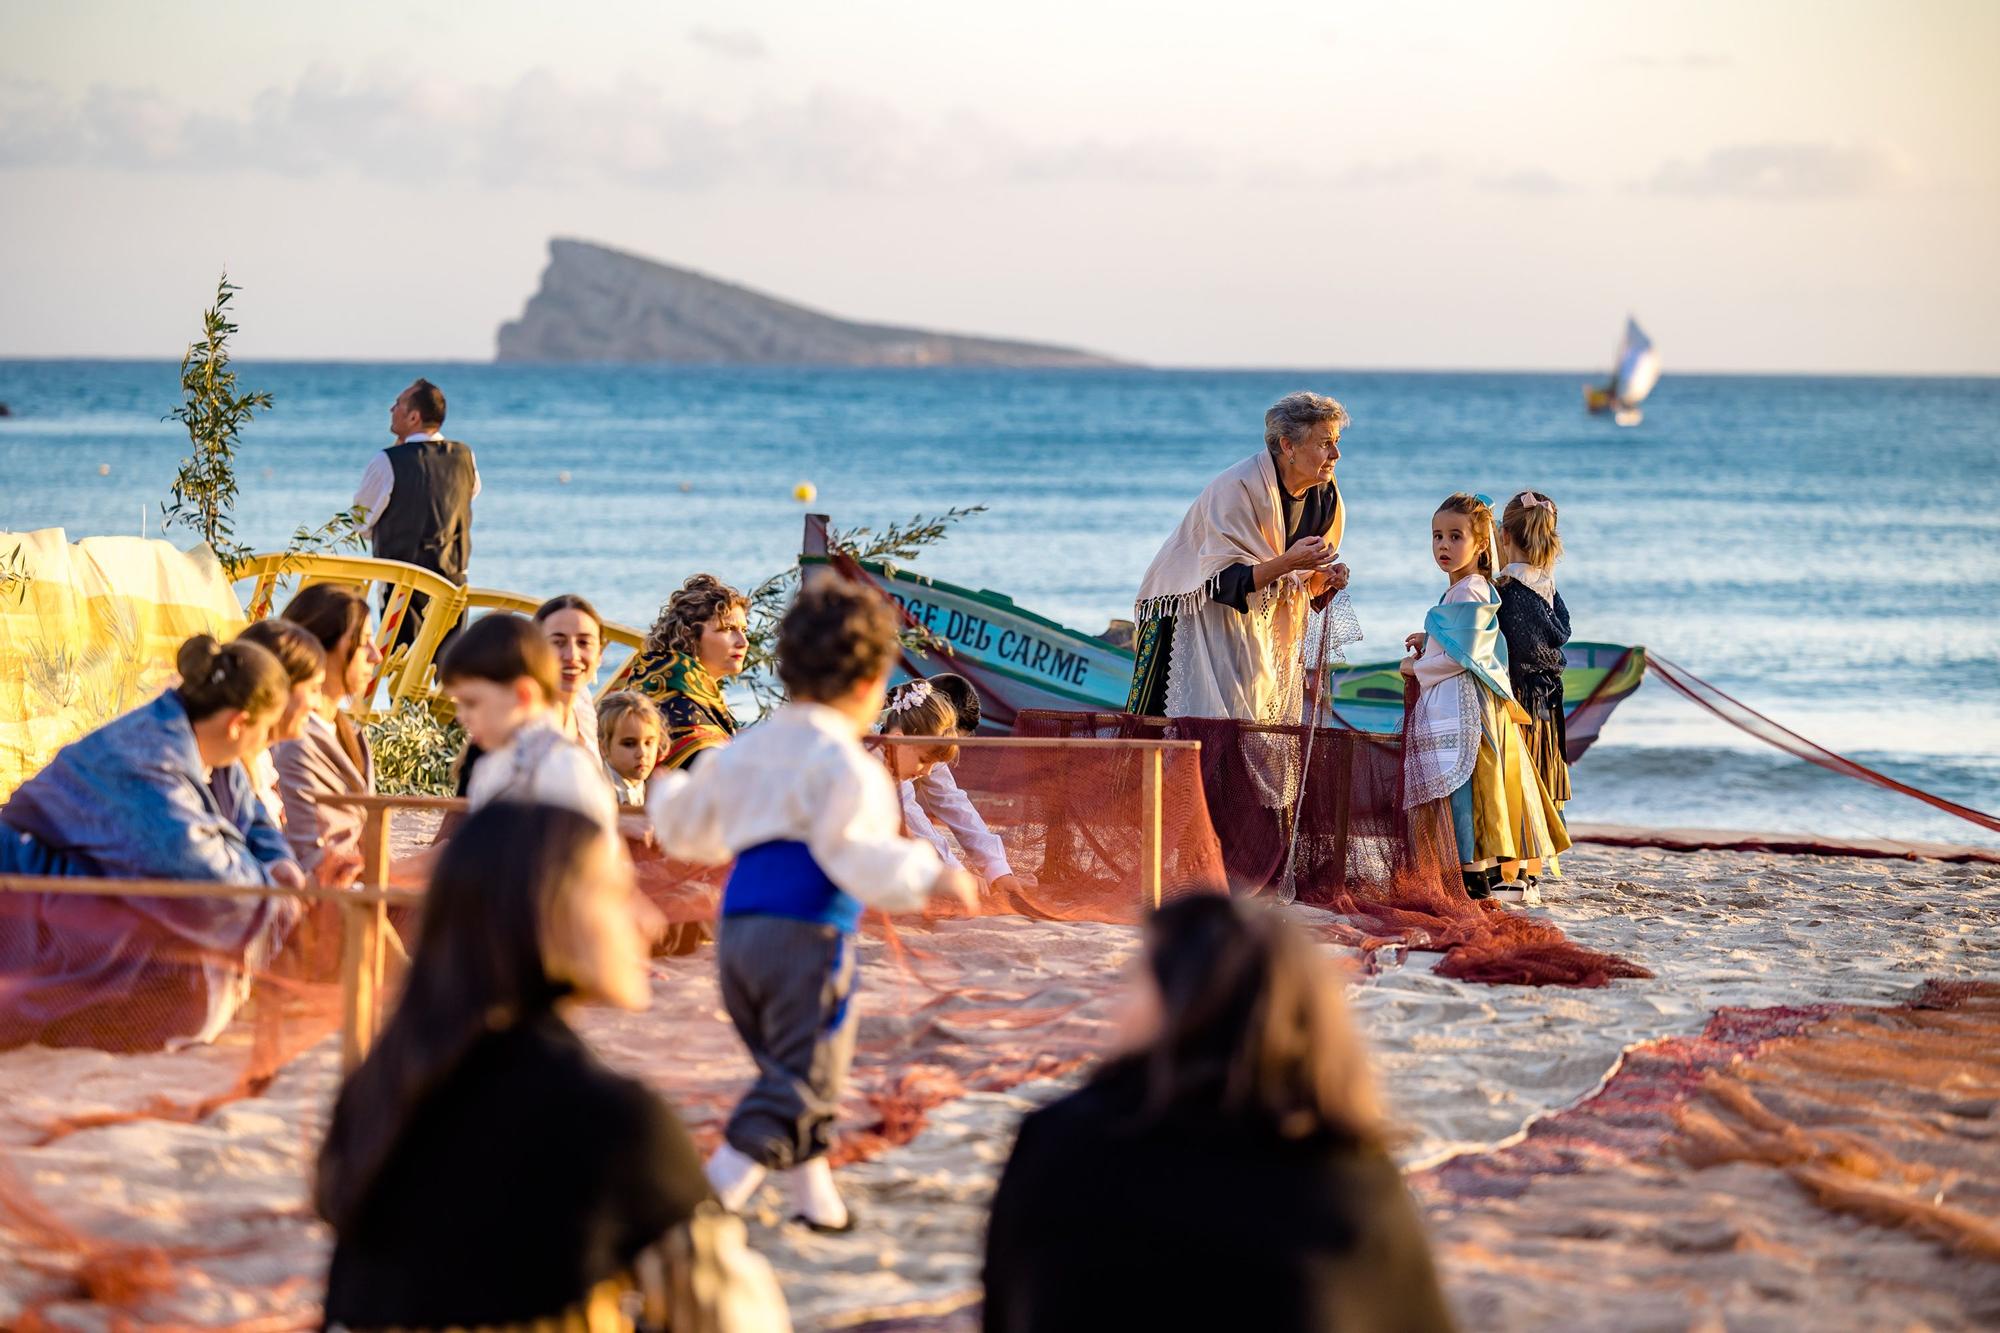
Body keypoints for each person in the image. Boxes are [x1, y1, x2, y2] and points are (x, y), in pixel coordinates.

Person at [647, 579, 979, 1231]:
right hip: (805, 938)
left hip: (737, 938)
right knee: (805, 1077)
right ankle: (708, 1201)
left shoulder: (748, 748)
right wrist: (930, 875)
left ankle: (814, 1198)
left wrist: (662, 796)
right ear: (868, 685)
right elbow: (857, 855)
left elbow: (695, 829)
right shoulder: (847, 765)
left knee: (792, 1067)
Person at [317, 802, 726, 1330]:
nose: (650, 920)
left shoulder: (383, 1089)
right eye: (619, 892)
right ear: (549, 913)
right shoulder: (614, 1121)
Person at [982, 894, 1455, 1333]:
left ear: (1175, 1002)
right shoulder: (1356, 1178)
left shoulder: (1061, 1143)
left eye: (1132, 979)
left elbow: (1003, 1309)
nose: (1115, 1001)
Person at [0, 635, 307, 1050]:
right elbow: (218, 890)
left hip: (87, 896)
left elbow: (255, 821)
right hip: (29, 900)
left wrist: (278, 867)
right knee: (188, 991)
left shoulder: (204, 742)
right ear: (238, 723)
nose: (271, 741)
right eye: (268, 730)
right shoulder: (147, 763)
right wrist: (280, 888)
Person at [1126, 392, 1354, 722]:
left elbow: (1299, 586)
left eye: (1336, 442)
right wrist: (1288, 563)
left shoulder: (1327, 495)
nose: (1336, 454)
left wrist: (1326, 578)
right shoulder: (1236, 488)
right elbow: (1221, 583)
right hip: (1186, 617)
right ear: (1287, 445)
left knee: (1246, 729)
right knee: (1174, 734)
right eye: (1324, 443)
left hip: (1250, 623)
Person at [1402, 494, 1569, 903]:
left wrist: (1416, 668)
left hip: (1466, 705)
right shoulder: (1467, 589)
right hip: (1465, 702)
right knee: (1471, 785)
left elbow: (1467, 655)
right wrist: (1432, 643)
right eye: (1437, 536)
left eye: (1455, 536)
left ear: (1482, 543)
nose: (1443, 545)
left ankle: (1478, 873)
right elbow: (1462, 642)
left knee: (1469, 787)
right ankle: (1485, 870)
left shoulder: (1473, 590)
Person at [440, 614, 617, 831]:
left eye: (472, 703)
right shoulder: (491, 764)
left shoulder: (562, 768)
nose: (461, 717)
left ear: (523, 695)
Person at [352, 377, 480, 650]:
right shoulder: (465, 457)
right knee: (447, 674)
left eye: (398, 404)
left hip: (402, 587)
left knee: (400, 674)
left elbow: (359, 521)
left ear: (413, 416)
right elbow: (468, 494)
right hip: (453, 584)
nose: (391, 409)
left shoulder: (387, 461)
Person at [272, 583, 380, 877]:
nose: (376, 655)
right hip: (326, 893)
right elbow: (310, 855)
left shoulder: (348, 735)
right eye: (365, 642)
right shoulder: (294, 742)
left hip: (354, 885)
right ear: (322, 649)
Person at [906, 674, 1029, 907]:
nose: (933, 766)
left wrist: (998, 870)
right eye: (939, 748)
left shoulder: (923, 740)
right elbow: (906, 813)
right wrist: (955, 873)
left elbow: (951, 801)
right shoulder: (881, 743)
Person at [1497, 491, 1573, 834]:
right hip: (1548, 701)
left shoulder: (1507, 594)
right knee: (1543, 783)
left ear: (1504, 536)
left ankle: (1517, 871)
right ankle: (1532, 873)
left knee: (1517, 784)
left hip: (1519, 702)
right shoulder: (1547, 590)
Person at [628, 574, 749, 771]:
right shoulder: (681, 708)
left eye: (744, 630)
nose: (743, 642)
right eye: (728, 628)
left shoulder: (675, 686)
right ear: (690, 636)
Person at [231, 618, 327, 828]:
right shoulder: (230, 770)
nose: (318, 704)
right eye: (313, 689)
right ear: (277, 690)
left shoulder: (259, 760)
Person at [598, 690, 664, 809]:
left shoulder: (655, 789)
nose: (642, 753)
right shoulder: (598, 792)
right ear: (603, 747)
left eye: (648, 743)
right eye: (629, 744)